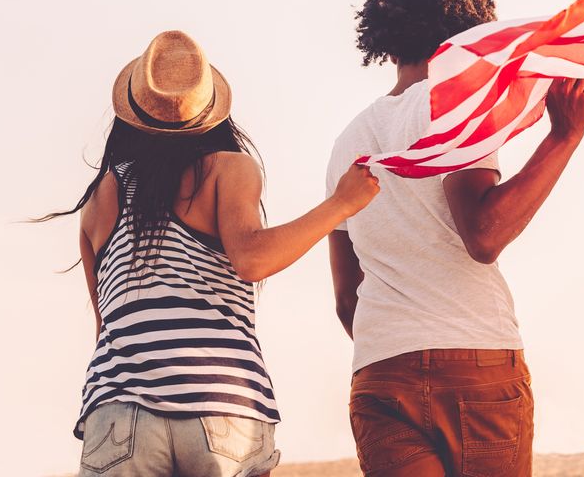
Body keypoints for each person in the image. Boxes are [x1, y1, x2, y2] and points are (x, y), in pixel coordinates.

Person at [41, 31, 380, 477]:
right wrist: (341, 205)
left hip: (119, 410)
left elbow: (107, 327)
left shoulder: (97, 201)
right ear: (209, 112)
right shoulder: (228, 168)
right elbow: (251, 259)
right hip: (220, 405)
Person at [326, 0, 584, 476]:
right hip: (474, 364)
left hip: (382, 373)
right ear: (468, 32)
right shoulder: (456, 108)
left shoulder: (347, 142)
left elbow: (345, 298)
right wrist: (564, 138)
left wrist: (400, 345)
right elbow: (484, 236)